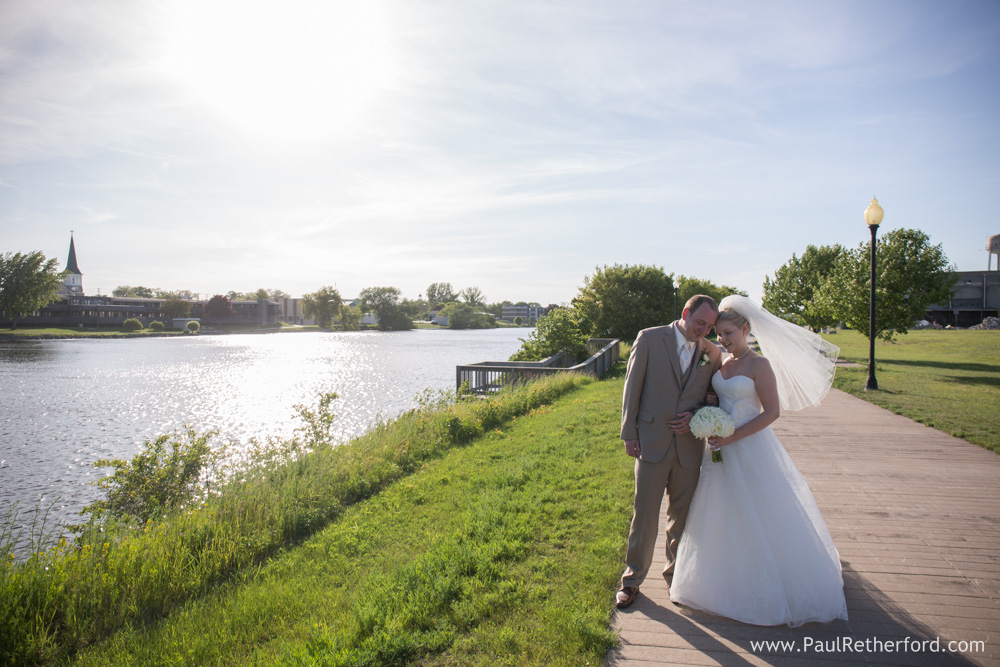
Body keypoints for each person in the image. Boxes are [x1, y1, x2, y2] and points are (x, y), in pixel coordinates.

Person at [669, 295, 848, 626]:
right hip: (718, 450)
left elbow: (773, 412)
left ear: (746, 329)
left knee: (760, 513)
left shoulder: (759, 365)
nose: (722, 340)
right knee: (720, 514)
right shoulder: (721, 362)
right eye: (718, 334)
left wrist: (733, 436)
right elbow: (714, 389)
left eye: (728, 333)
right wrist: (710, 405)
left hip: (749, 447)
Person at [615, 294, 723, 609]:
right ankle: (632, 581)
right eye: (700, 322)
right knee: (645, 515)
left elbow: (713, 396)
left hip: (690, 446)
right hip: (650, 441)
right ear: (685, 313)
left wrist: (697, 414)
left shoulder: (711, 353)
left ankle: (675, 578)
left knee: (682, 517)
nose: (704, 330)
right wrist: (629, 432)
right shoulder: (649, 338)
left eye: (710, 326)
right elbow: (631, 386)